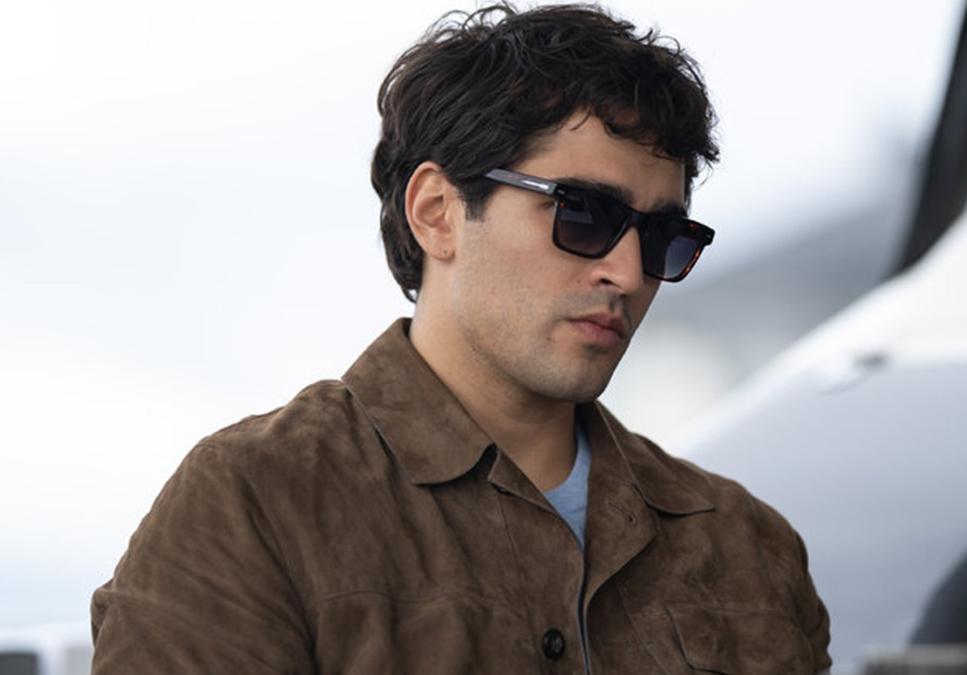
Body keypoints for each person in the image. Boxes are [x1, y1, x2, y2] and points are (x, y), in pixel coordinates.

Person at [90, 3, 831, 673]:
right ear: (438, 212)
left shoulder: (749, 547)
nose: (629, 272)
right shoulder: (257, 502)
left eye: (663, 237)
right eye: (584, 214)